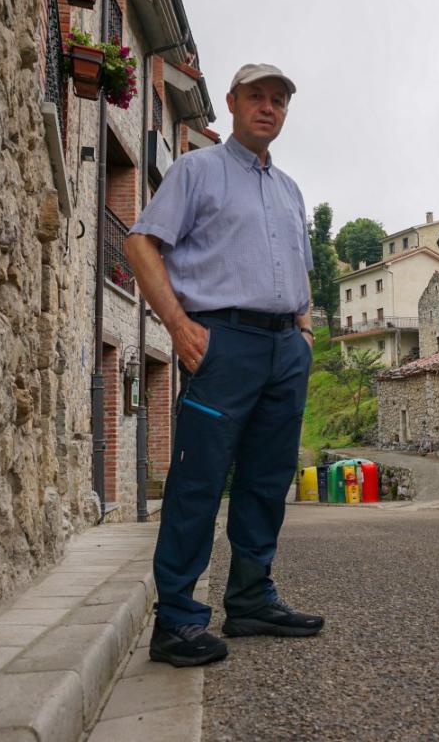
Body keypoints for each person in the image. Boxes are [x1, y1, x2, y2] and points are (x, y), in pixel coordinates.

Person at [125, 63, 324, 667]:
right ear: (233, 104)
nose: (269, 108)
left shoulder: (290, 190)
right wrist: (179, 327)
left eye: (280, 100)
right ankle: (178, 620)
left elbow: (301, 272)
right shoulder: (196, 169)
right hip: (223, 343)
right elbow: (140, 243)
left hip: (284, 348)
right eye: (257, 97)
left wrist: (305, 335)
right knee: (199, 480)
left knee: (267, 480)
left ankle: (250, 599)